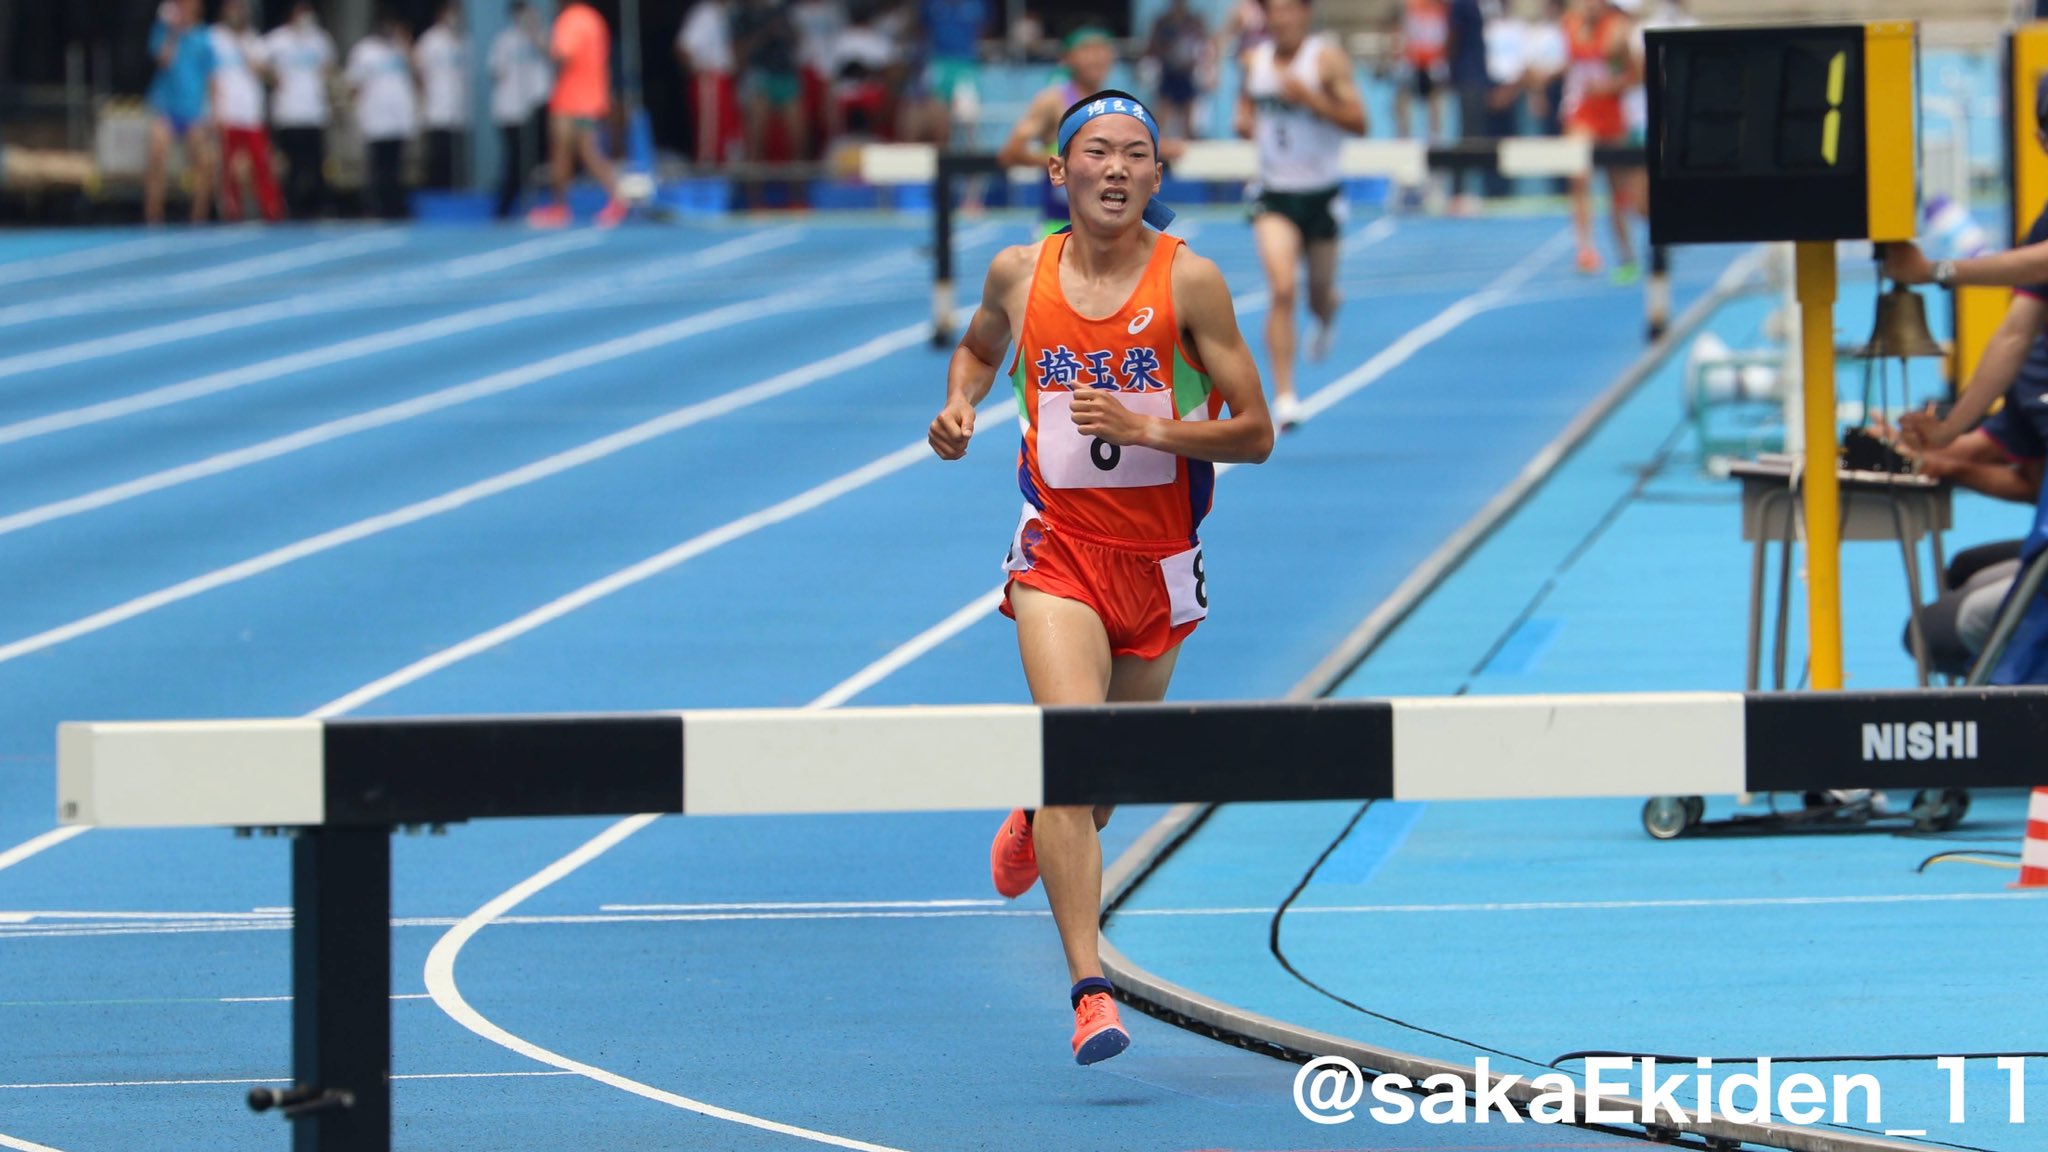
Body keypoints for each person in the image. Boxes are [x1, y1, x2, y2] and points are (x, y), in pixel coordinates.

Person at [928, 89, 1271, 1066]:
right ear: (1058, 173)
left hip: (1159, 567)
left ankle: (1039, 818)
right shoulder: (1016, 270)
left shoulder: (1190, 282)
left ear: (1157, 177)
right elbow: (977, 353)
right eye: (1096, 152)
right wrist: (958, 407)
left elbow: (1254, 433)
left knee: (1102, 779)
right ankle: (1089, 989)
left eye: (1134, 155)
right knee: (1074, 755)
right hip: (1058, 551)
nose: (1115, 169)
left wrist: (1150, 427)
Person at [1237, 0, 1367, 431]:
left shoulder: (1325, 60)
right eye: (1273, 11)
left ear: (1305, 15)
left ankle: (1328, 308)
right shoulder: (1254, 62)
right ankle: (1286, 395)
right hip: (1274, 195)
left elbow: (1359, 122)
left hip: (1321, 195)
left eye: (1289, 10)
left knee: (1315, 295)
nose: (1281, 19)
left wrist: (1310, 99)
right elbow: (1244, 109)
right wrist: (1243, 121)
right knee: (1282, 289)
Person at [996, 26, 1128, 238]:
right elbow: (1009, 153)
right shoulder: (1052, 101)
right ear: (1067, 58)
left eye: (1101, 49)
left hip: (1107, 226)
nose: (1095, 57)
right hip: (1059, 226)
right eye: (1086, 49)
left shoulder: (1118, 104)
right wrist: (1065, 164)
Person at [1559, 0, 1640, 279]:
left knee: (1617, 188)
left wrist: (1611, 84)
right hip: (1581, 113)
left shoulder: (1617, 28)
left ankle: (1627, 255)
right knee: (1578, 176)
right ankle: (1585, 250)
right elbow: (1571, 57)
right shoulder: (1571, 23)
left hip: (1612, 113)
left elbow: (1634, 74)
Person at [529, 0, 628, 228]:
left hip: (571, 99)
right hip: (591, 97)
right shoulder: (594, 18)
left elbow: (561, 55)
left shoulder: (571, 19)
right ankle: (612, 199)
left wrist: (535, 35)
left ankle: (563, 206)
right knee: (583, 151)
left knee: (568, 153)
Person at [143, 0, 218, 226]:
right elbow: (163, 60)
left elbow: (212, 78)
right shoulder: (163, 31)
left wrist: (214, 111)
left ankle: (198, 217)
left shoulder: (204, 37)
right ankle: (153, 217)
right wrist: (173, 31)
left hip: (193, 110)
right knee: (156, 155)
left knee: (204, 161)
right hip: (166, 107)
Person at [210, 0, 282, 222]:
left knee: (261, 163)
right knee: (228, 168)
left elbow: (273, 78)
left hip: (251, 114)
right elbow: (209, 76)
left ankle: (271, 210)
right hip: (227, 112)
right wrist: (214, 108)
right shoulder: (214, 38)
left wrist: (259, 67)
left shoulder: (254, 40)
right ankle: (232, 211)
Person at [265, 1, 336, 219]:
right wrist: (272, 77)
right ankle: (292, 207)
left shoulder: (319, 39)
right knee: (292, 166)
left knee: (316, 164)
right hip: (289, 113)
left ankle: (318, 207)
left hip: (314, 113)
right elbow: (256, 59)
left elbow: (330, 66)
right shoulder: (278, 39)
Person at [346, 12, 416, 220]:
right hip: (376, 120)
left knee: (396, 167)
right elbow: (354, 85)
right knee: (379, 168)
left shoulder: (399, 50)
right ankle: (377, 208)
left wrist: (406, 45)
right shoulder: (364, 51)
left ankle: (396, 207)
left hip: (398, 120)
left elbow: (416, 74)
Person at [491, 0, 553, 217]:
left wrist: (534, 32)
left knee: (536, 158)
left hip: (534, 108)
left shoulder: (540, 36)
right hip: (511, 111)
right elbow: (496, 73)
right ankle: (503, 207)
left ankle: (532, 200)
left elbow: (551, 56)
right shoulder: (505, 41)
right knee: (515, 161)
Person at [678, 0, 740, 166]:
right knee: (710, 141)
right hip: (710, 82)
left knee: (726, 136)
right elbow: (683, 47)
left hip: (723, 80)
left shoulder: (726, 13)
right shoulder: (705, 13)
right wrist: (700, 69)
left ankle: (722, 181)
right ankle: (706, 183)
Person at [415, 2, 469, 191]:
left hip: (459, 110)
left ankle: (456, 191)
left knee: (459, 159)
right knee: (439, 156)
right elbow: (418, 73)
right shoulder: (430, 41)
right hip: (437, 109)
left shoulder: (464, 40)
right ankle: (437, 192)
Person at [1146, 0, 1209, 141]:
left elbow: (1204, 45)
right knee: (1164, 108)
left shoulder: (1194, 21)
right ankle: (1156, 140)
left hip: (1186, 73)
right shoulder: (1162, 22)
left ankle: (1189, 140)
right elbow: (1152, 47)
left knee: (1188, 110)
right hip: (1168, 72)